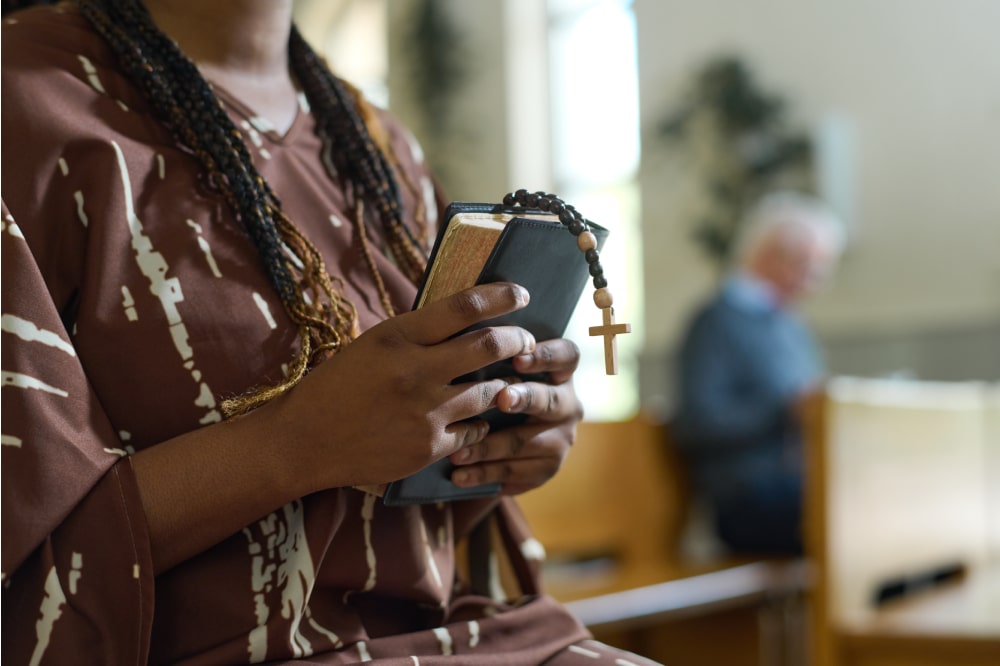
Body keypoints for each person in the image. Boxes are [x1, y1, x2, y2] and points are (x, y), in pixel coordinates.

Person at [0, 1, 660, 663]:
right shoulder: (24, 101)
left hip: (462, 636)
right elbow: (25, 565)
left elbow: (419, 503)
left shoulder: (374, 137)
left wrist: (504, 435)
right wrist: (296, 443)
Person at [671, 192, 844, 556]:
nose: (815, 281)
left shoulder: (791, 325)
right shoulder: (716, 321)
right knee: (853, 514)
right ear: (770, 255)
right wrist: (784, 410)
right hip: (747, 498)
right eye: (807, 266)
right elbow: (697, 424)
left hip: (798, 484)